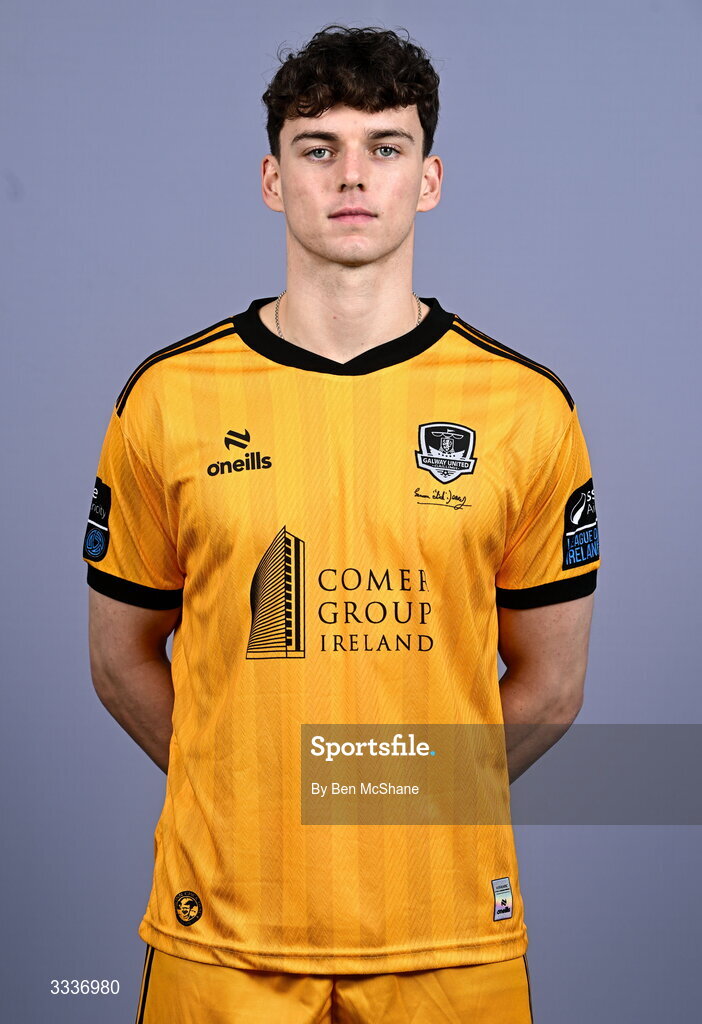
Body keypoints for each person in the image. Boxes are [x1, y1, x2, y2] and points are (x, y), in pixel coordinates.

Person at [83, 23, 600, 1024]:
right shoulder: (166, 399)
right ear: (274, 179)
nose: (351, 176)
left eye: (385, 147)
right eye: (318, 147)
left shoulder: (527, 410)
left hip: (448, 936)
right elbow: (117, 658)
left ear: (430, 178)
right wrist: (245, 786)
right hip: (221, 936)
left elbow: (553, 682)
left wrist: (385, 794)